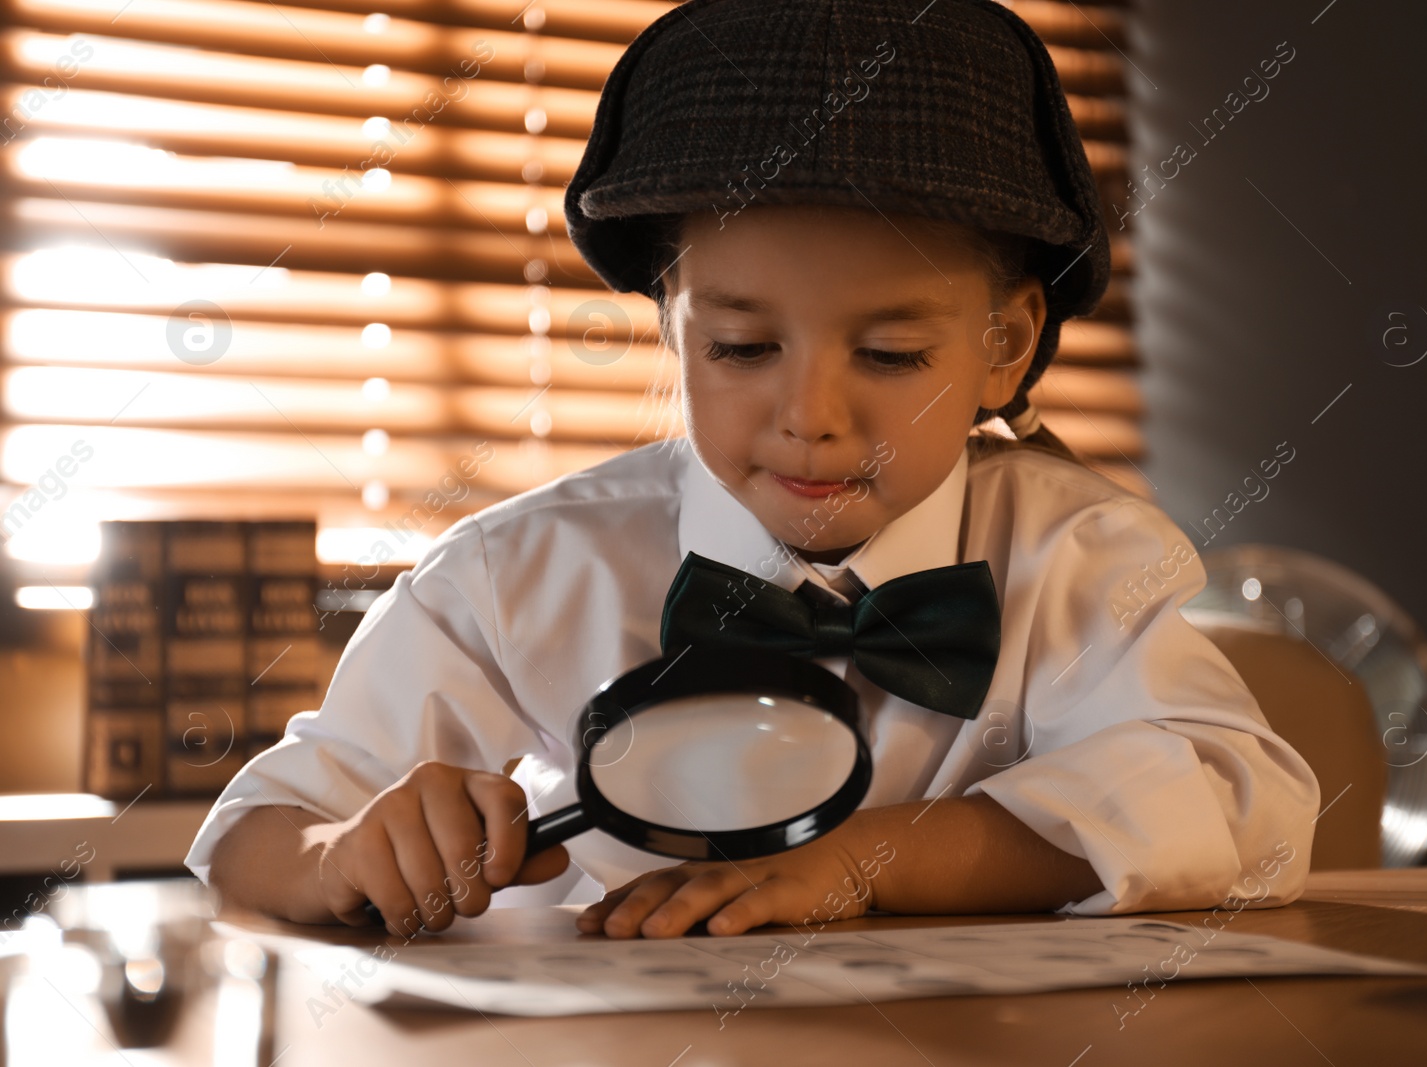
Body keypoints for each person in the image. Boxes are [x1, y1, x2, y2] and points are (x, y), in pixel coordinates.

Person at [189, 0, 1320, 940]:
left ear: (1005, 345)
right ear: (672, 327)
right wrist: (343, 850)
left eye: (888, 354)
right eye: (738, 348)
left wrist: (872, 857)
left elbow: (1238, 795)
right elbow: (252, 832)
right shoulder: (517, 573)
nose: (810, 419)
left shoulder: (1081, 556)